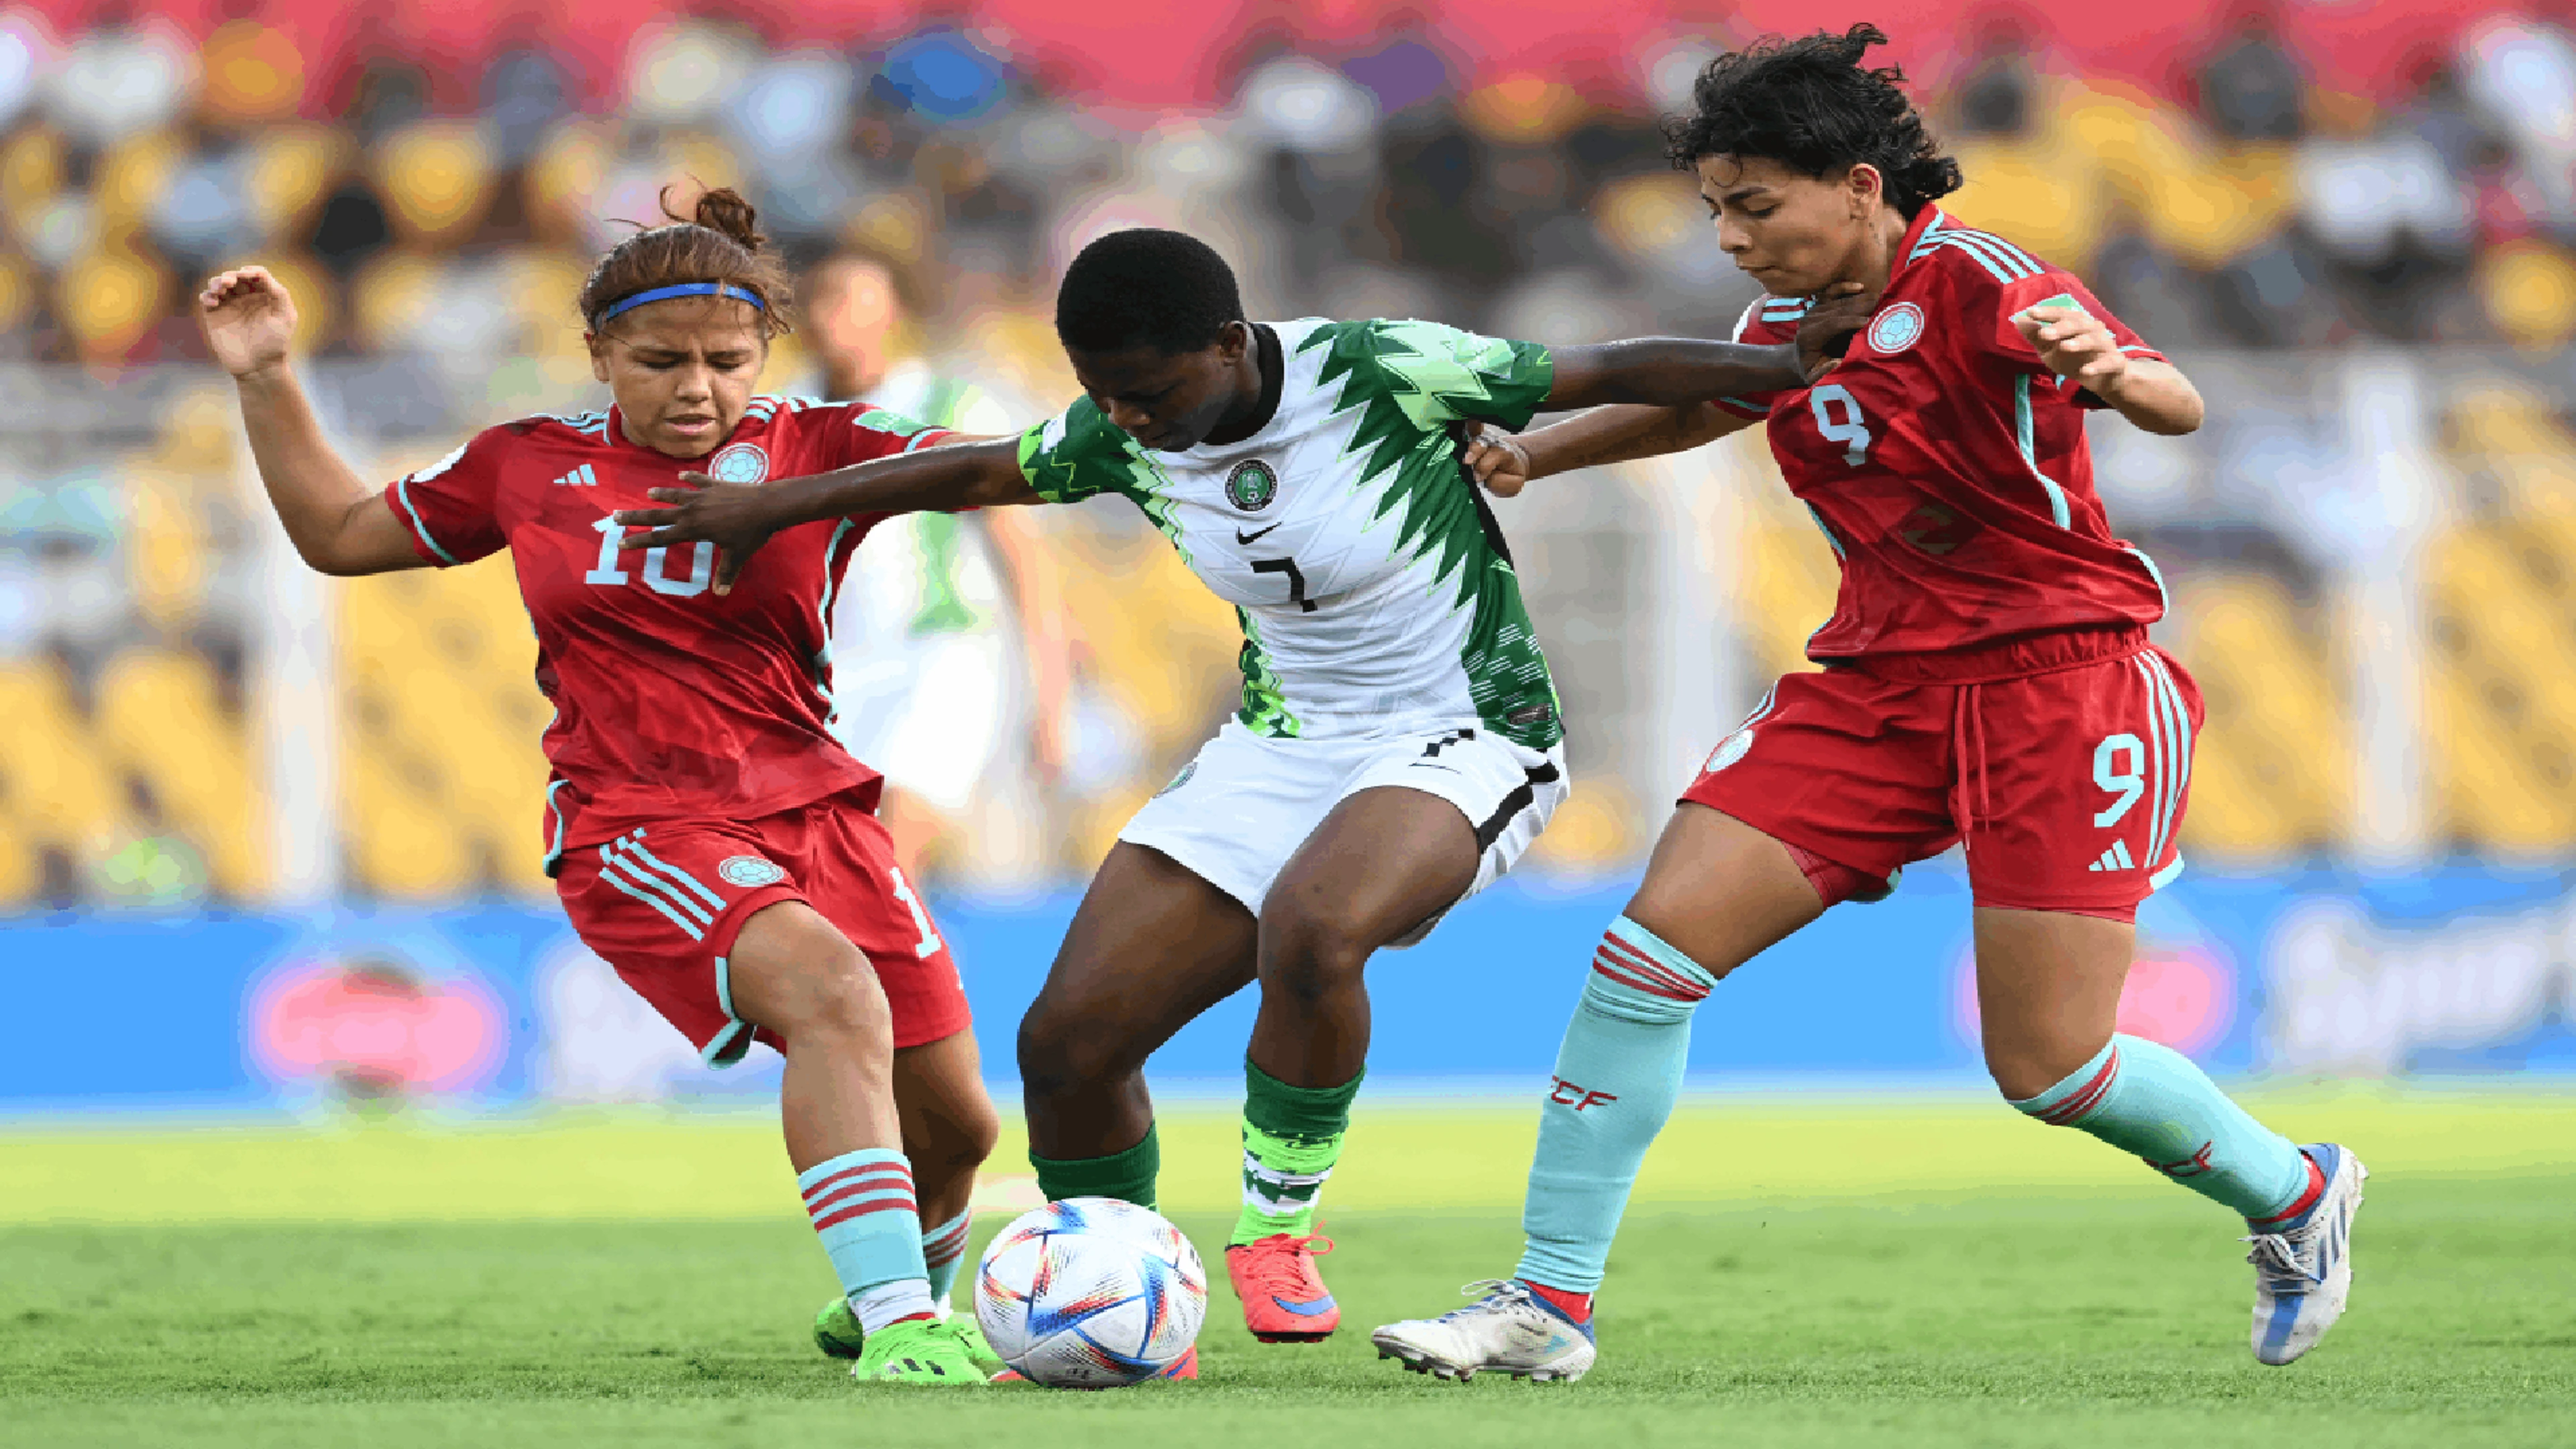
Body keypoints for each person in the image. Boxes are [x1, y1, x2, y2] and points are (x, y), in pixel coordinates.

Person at [615, 227, 1868, 1357]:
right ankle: (1114, 1289)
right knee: (1067, 1042)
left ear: (1227, 343)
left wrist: (1791, 368)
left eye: (1153, 392)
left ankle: (1277, 1233)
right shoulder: (1119, 425)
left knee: (1314, 928)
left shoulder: (1375, 370)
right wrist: (778, 507)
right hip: (1279, 743)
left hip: (1465, 728)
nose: (1133, 421)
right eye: (1108, 395)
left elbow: (1607, 369)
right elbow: (975, 473)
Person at [1367, 25, 2363, 1384]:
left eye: (1751, 203)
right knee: (1647, 955)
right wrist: (1539, 454)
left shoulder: (1985, 278)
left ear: (1855, 184)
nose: (1727, 235)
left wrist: (2119, 376)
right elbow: (1708, 403)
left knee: (2052, 1068)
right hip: (1879, 684)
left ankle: (2296, 1195)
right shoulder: (1788, 316)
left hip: (2061, 682)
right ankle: (1550, 1304)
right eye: (1717, 206)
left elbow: (2174, 401)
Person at [199, 189, 1003, 1387]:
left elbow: (1000, 472)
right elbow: (341, 532)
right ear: (598, 357)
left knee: (962, 1125)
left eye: (728, 361)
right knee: (832, 997)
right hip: (644, 821)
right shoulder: (529, 465)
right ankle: (898, 1323)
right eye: (660, 361)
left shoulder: (818, 441)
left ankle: (900, 1294)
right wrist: (267, 380)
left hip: (824, 810)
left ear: (764, 354)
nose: (698, 389)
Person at [798, 253, 1071, 884]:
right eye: (821, 299)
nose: (832, 316)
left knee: (891, 845)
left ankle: (892, 976)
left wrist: (1051, 696)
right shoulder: (788, 419)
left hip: (940, 652)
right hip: (835, 663)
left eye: (851, 299)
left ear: (890, 313)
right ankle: (896, 974)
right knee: (834, 863)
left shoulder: (945, 406)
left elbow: (1022, 552)